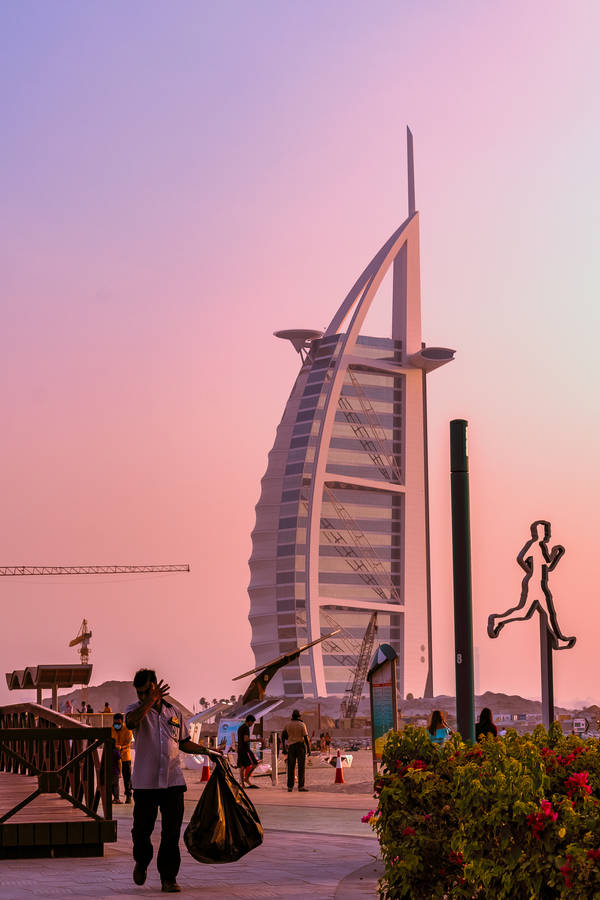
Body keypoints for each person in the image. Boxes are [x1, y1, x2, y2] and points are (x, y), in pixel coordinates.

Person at [125, 668, 222, 893]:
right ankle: (142, 860)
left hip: (172, 781)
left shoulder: (174, 712)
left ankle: (168, 877)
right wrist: (148, 702)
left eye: (147, 691)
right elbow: (130, 723)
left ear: (156, 686)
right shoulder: (135, 710)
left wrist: (208, 751)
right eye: (139, 693)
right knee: (141, 831)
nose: (142, 696)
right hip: (145, 783)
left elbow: (184, 742)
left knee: (171, 833)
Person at [281, 709, 311, 792]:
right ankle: (301, 786)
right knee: (301, 767)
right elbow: (305, 737)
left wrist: (284, 747)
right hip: (300, 747)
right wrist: (308, 748)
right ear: (299, 716)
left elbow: (283, 736)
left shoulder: (287, 725)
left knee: (291, 767)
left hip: (291, 747)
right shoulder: (302, 725)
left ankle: (290, 787)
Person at [111, 712, 134, 803]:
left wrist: (121, 747)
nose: (116, 725)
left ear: (122, 722)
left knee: (127, 778)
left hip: (125, 757)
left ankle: (128, 796)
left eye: (118, 723)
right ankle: (116, 797)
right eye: (115, 723)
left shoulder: (128, 730)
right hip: (115, 757)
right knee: (114, 779)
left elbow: (128, 744)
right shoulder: (112, 729)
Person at [237, 714, 259, 789]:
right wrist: (257, 740)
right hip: (245, 749)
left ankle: (243, 784)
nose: (252, 725)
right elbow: (246, 739)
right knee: (255, 763)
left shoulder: (240, 727)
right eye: (252, 723)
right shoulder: (246, 728)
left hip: (240, 749)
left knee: (242, 766)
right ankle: (246, 778)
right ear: (249, 721)